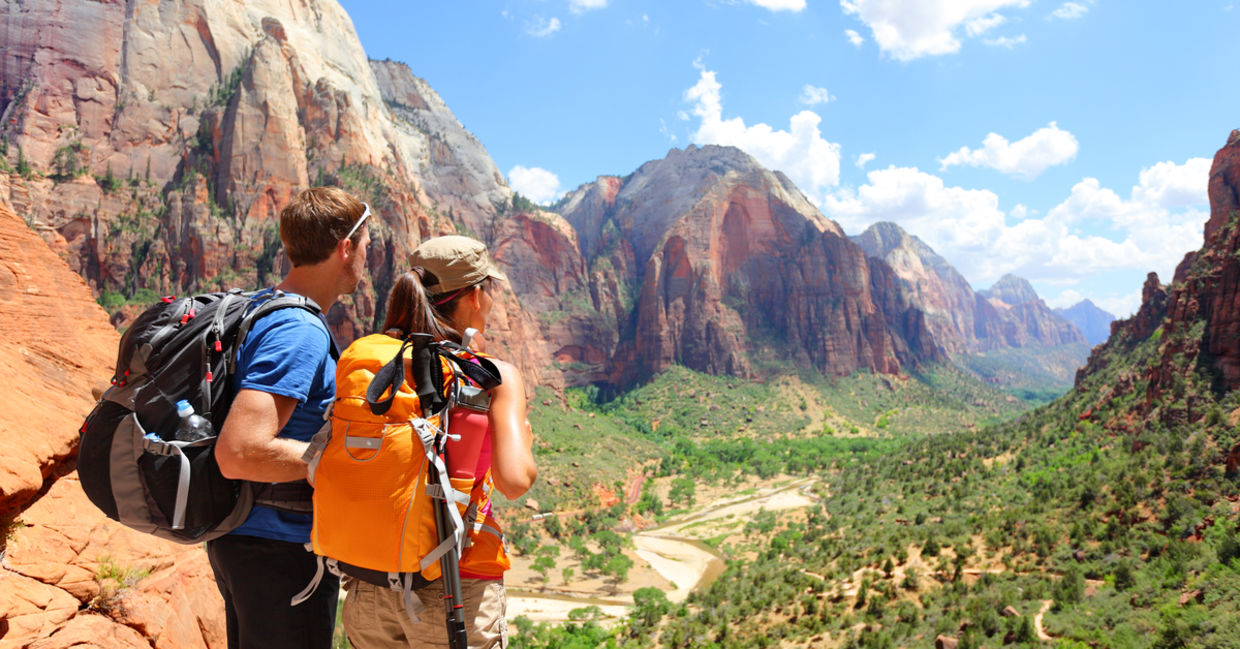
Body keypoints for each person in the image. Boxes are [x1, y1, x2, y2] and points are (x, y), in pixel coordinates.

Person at [342, 235, 538, 649]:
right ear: (473, 295)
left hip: (369, 584)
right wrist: (525, 438)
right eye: (488, 290)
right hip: (456, 589)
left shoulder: (372, 361)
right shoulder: (491, 374)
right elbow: (515, 481)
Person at [209, 186, 371, 649]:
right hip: (277, 551)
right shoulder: (298, 329)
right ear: (346, 248)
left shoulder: (266, 307)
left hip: (248, 542)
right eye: (364, 246)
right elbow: (241, 451)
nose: (365, 257)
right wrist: (346, 460)